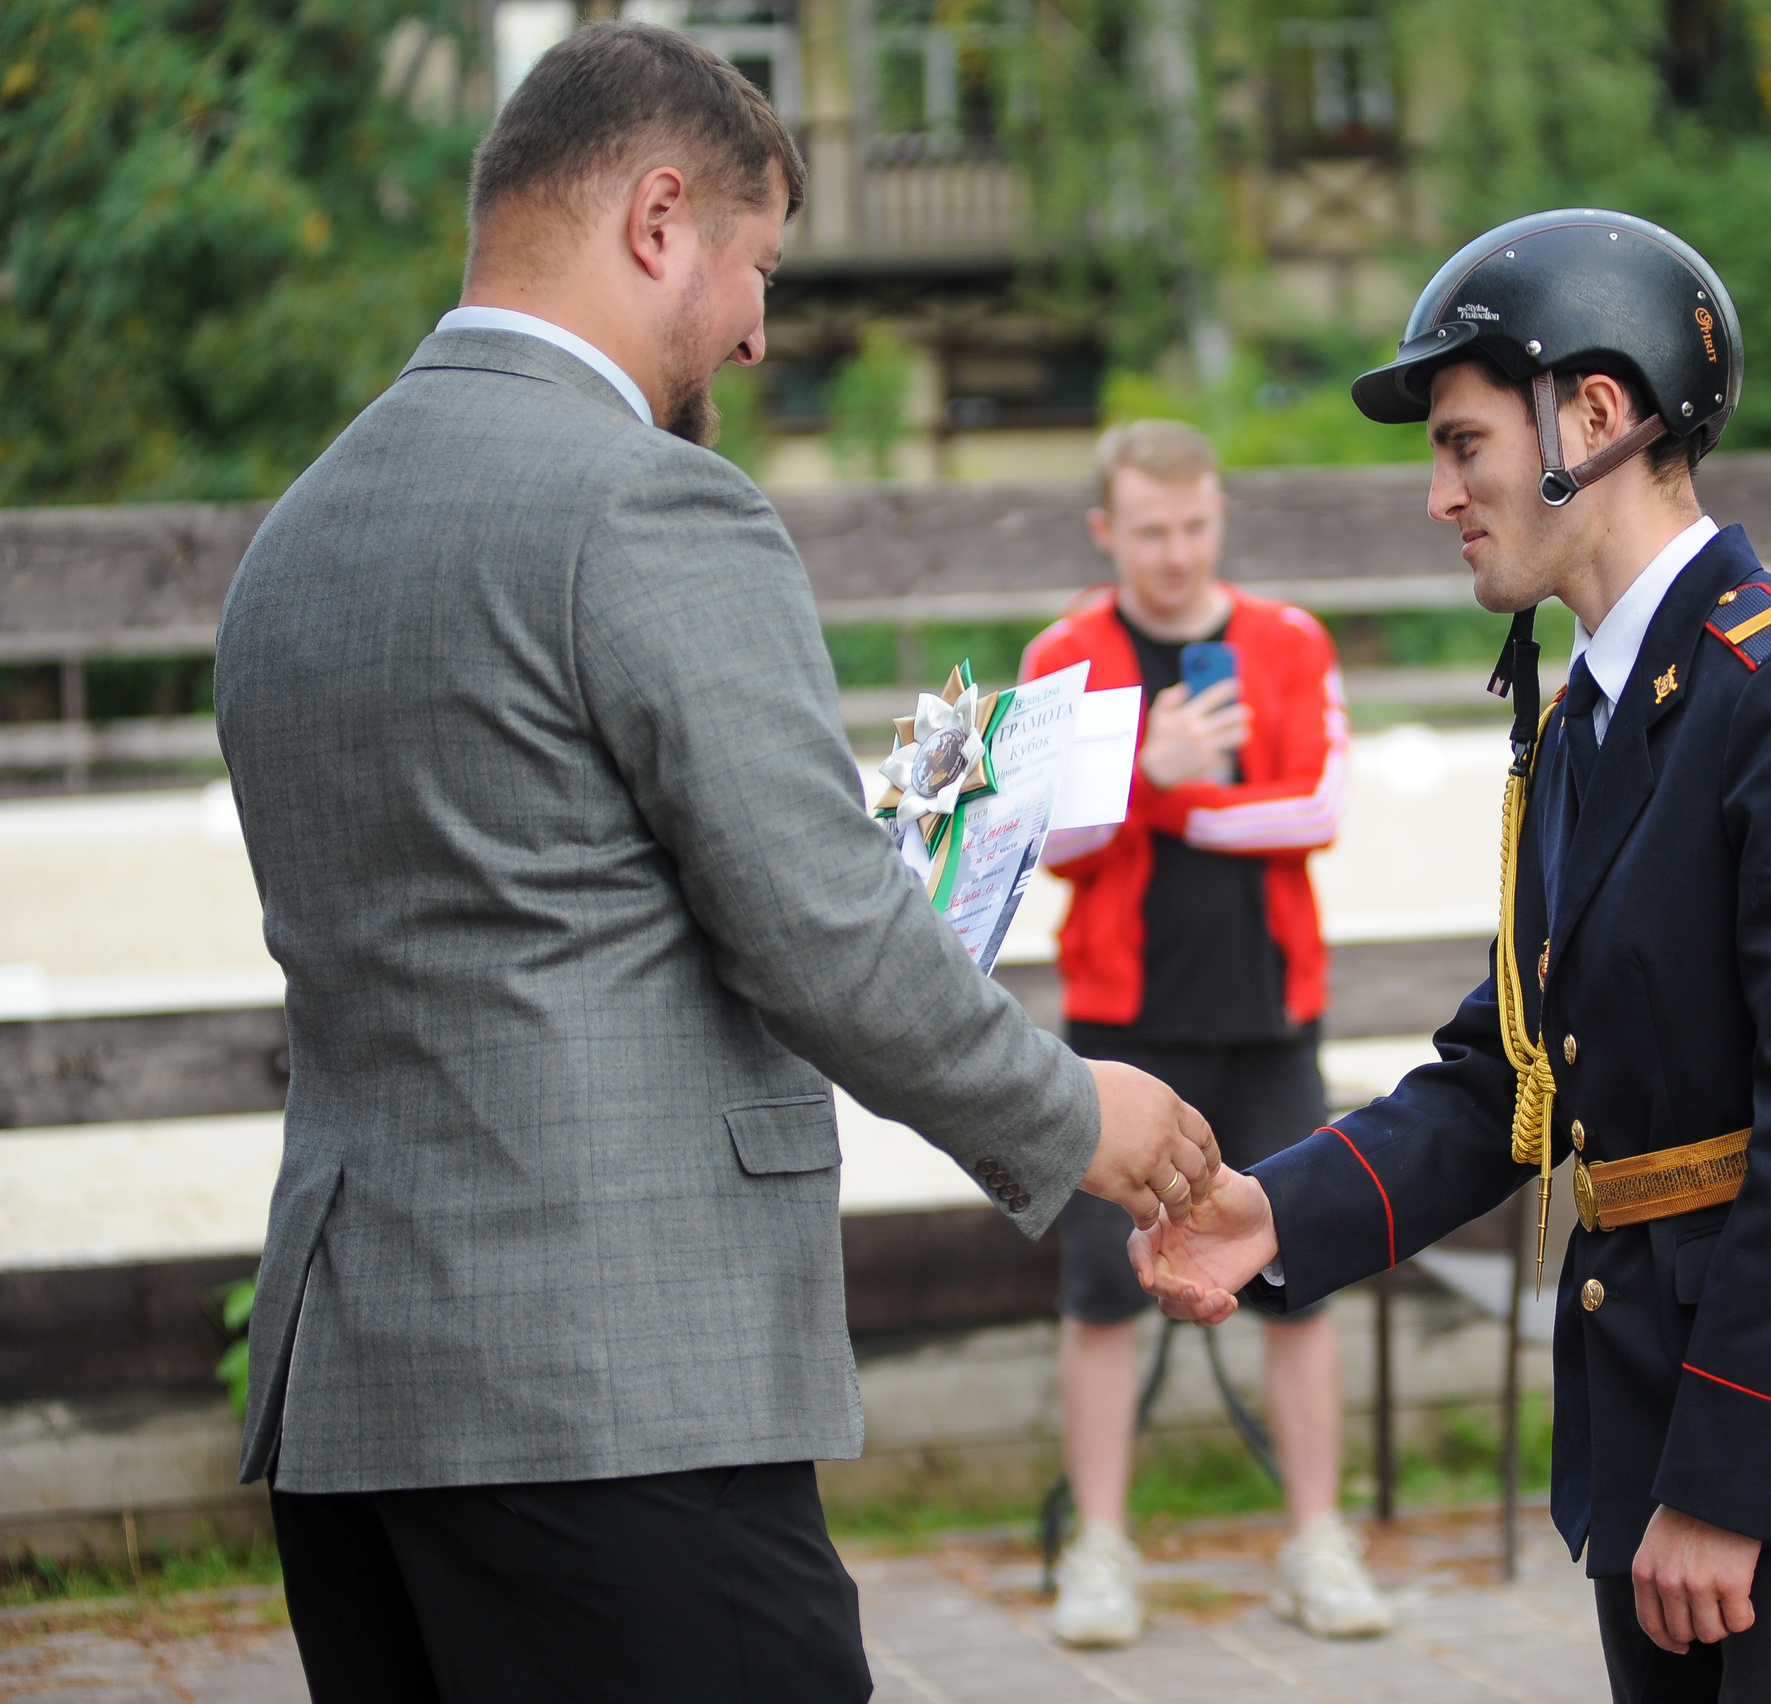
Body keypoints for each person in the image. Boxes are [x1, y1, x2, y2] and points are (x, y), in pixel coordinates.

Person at [213, 24, 1218, 1702]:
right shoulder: (649, 505)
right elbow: (819, 933)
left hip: (356, 1408)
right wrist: (1070, 1112)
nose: (759, 328)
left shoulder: (295, 535)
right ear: (658, 219)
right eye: (758, 265)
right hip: (622, 1388)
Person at [1130, 209, 1771, 1704]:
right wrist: (1276, 1215)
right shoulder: (1591, 710)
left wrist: (1727, 1480)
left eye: (1462, 444)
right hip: (1644, 1396)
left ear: (1594, 417)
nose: (1437, 493)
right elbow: (1512, 1069)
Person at [1020, 420, 1388, 1646]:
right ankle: (1102, 1553)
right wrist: (1144, 771)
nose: (1174, 554)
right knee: (1098, 1298)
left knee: (1299, 1283)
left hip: (1267, 1012)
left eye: (1194, 527)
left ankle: (1316, 1544)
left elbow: (1315, 808)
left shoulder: (1285, 639)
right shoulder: (1064, 658)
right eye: (1148, 530)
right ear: (1105, 530)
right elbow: (1040, 841)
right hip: (1119, 1028)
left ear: (1217, 520)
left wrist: (1163, 793)